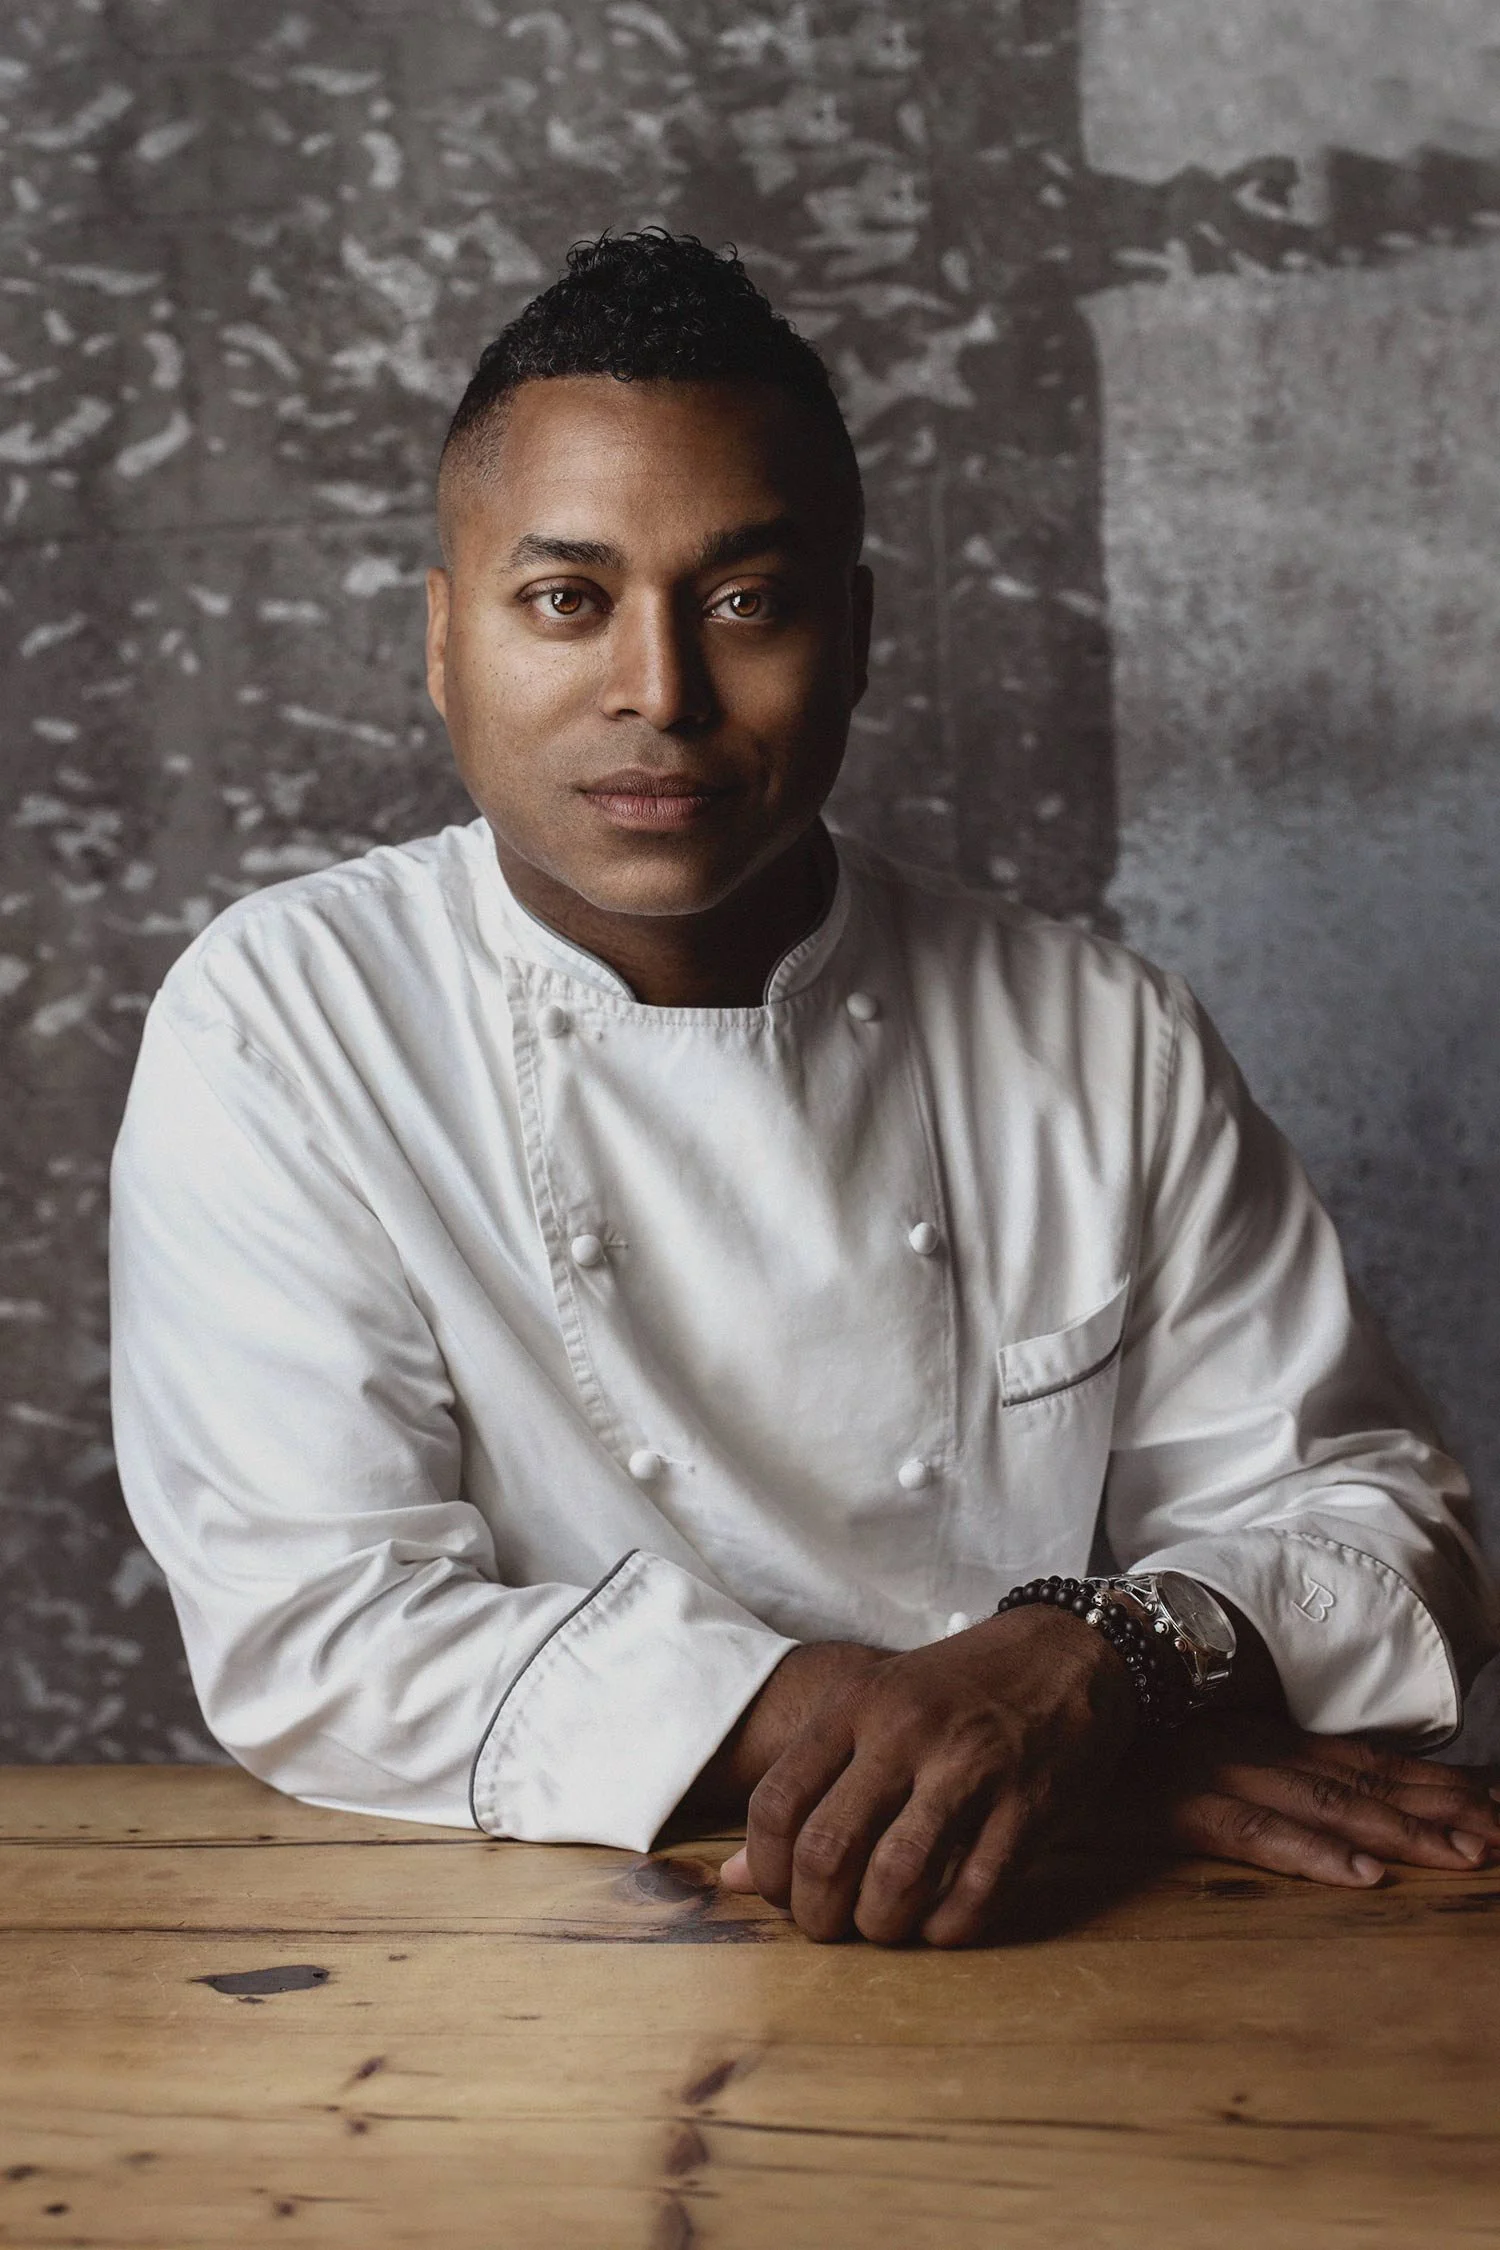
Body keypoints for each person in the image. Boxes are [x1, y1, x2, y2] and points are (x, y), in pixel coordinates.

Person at [110, 230, 1499, 1947]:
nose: (660, 691)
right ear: (444, 638)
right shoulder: (286, 1021)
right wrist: (1010, 1729)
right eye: (568, 598)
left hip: (1086, 1944)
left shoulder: (1097, 1032)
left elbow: (1376, 1510)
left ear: (857, 635)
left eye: (745, 600)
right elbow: (324, 1627)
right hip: (537, 1972)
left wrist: (1094, 1669)